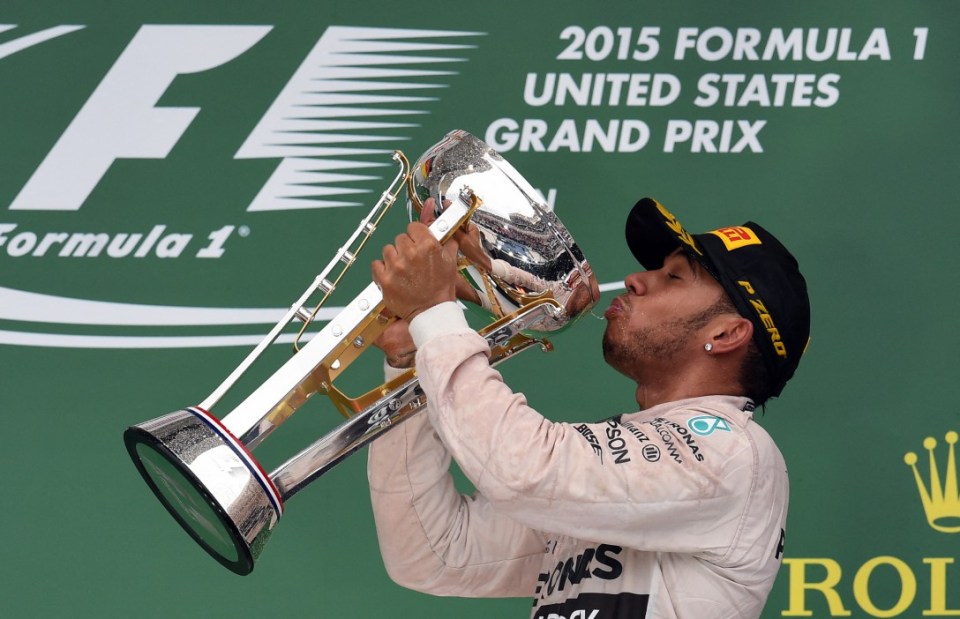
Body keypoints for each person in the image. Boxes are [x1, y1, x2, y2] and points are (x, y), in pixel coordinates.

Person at [367, 197, 811, 618]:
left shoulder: (734, 453)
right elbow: (434, 551)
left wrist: (436, 316)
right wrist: (413, 361)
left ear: (729, 334)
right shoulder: (632, 469)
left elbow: (525, 472)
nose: (638, 279)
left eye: (674, 277)